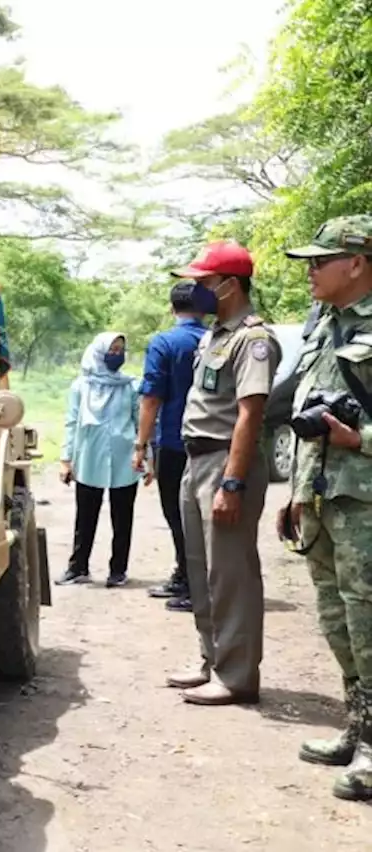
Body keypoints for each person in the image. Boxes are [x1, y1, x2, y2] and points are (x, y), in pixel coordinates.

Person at [275, 215, 372, 800]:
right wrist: (295, 494)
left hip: (365, 503)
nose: (310, 271)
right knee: (338, 625)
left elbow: (347, 429)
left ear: (357, 263)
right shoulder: (321, 327)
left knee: (370, 626)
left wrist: (359, 441)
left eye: (320, 260)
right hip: (322, 498)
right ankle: (358, 728)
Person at [164, 240, 281, 707]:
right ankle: (210, 659)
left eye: (204, 283)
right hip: (196, 461)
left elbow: (249, 415)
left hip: (225, 463)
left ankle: (236, 675)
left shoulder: (254, 340)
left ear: (230, 285)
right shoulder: (215, 335)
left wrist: (232, 482)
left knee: (230, 573)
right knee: (200, 569)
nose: (196, 290)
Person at [133, 281, 217, 612]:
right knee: (202, 517)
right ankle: (185, 575)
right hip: (213, 440)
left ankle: (195, 586)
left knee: (179, 515)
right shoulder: (217, 339)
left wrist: (141, 445)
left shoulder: (165, 343)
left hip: (174, 441)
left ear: (172, 309)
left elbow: (151, 398)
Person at [57, 332, 142, 588]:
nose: (116, 354)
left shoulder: (131, 386)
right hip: (89, 458)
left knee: (123, 517)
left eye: (120, 350)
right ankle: (78, 567)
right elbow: (71, 423)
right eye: (112, 349)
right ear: (99, 351)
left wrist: (145, 455)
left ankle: (118, 570)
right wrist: (66, 459)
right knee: (85, 516)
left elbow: (140, 423)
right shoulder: (81, 386)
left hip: (124, 458)